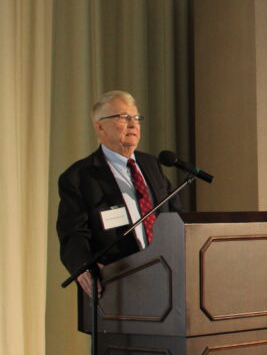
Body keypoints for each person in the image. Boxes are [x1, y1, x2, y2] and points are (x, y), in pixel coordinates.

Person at [56, 90, 183, 304]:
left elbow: (177, 216)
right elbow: (73, 234)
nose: (133, 124)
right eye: (123, 117)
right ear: (100, 126)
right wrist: (83, 266)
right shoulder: (79, 176)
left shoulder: (152, 165)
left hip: (166, 278)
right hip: (116, 285)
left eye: (136, 118)